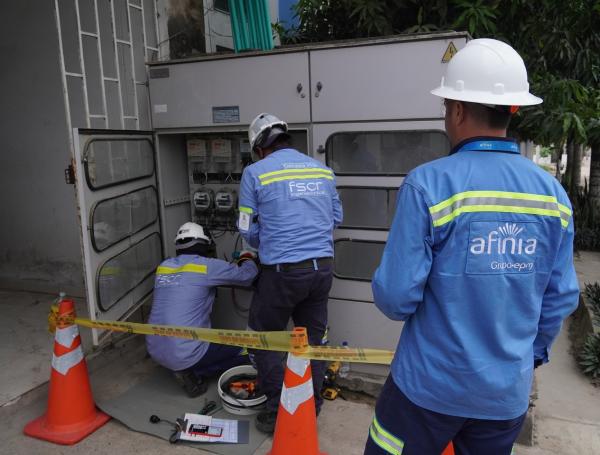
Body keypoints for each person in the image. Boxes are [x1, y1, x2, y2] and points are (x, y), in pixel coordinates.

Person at [364, 39, 580, 455]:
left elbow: (394, 298)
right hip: (503, 397)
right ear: (511, 109)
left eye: (446, 106)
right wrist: (526, 357)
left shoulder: (428, 185)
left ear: (458, 110)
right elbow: (560, 297)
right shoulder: (553, 196)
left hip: (425, 391)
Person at [238, 113, 343, 433]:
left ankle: (276, 409)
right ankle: (311, 405)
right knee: (314, 339)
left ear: (259, 148)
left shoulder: (254, 173)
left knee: (263, 337)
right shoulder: (323, 171)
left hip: (281, 273)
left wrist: (263, 239)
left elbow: (245, 227)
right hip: (322, 270)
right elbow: (336, 218)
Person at [146, 222, 258, 397]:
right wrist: (247, 257)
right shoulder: (206, 266)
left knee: (195, 343)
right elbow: (247, 276)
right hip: (184, 351)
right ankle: (194, 372)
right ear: (203, 244)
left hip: (155, 348)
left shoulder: (164, 267)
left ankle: (182, 366)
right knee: (251, 350)